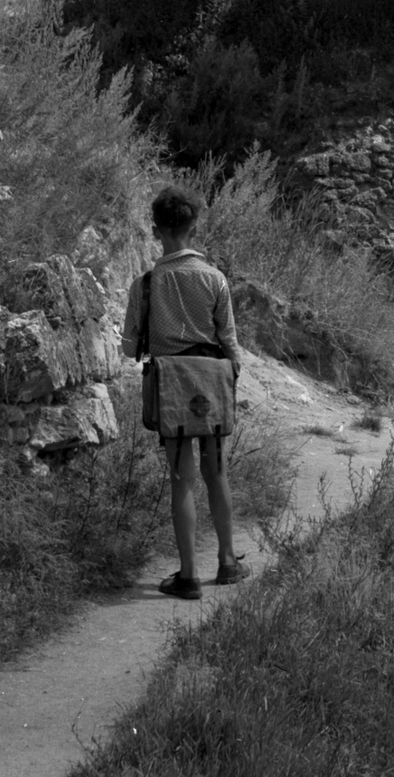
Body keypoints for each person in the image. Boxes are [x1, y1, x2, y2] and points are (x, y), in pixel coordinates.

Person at [121, 185, 246, 600]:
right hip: (211, 381)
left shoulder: (146, 284)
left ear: (156, 231)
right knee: (218, 473)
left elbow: (128, 345)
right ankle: (227, 563)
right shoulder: (215, 279)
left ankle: (188, 575)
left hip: (169, 383)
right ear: (194, 227)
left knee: (182, 479)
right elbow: (229, 340)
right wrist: (230, 376)